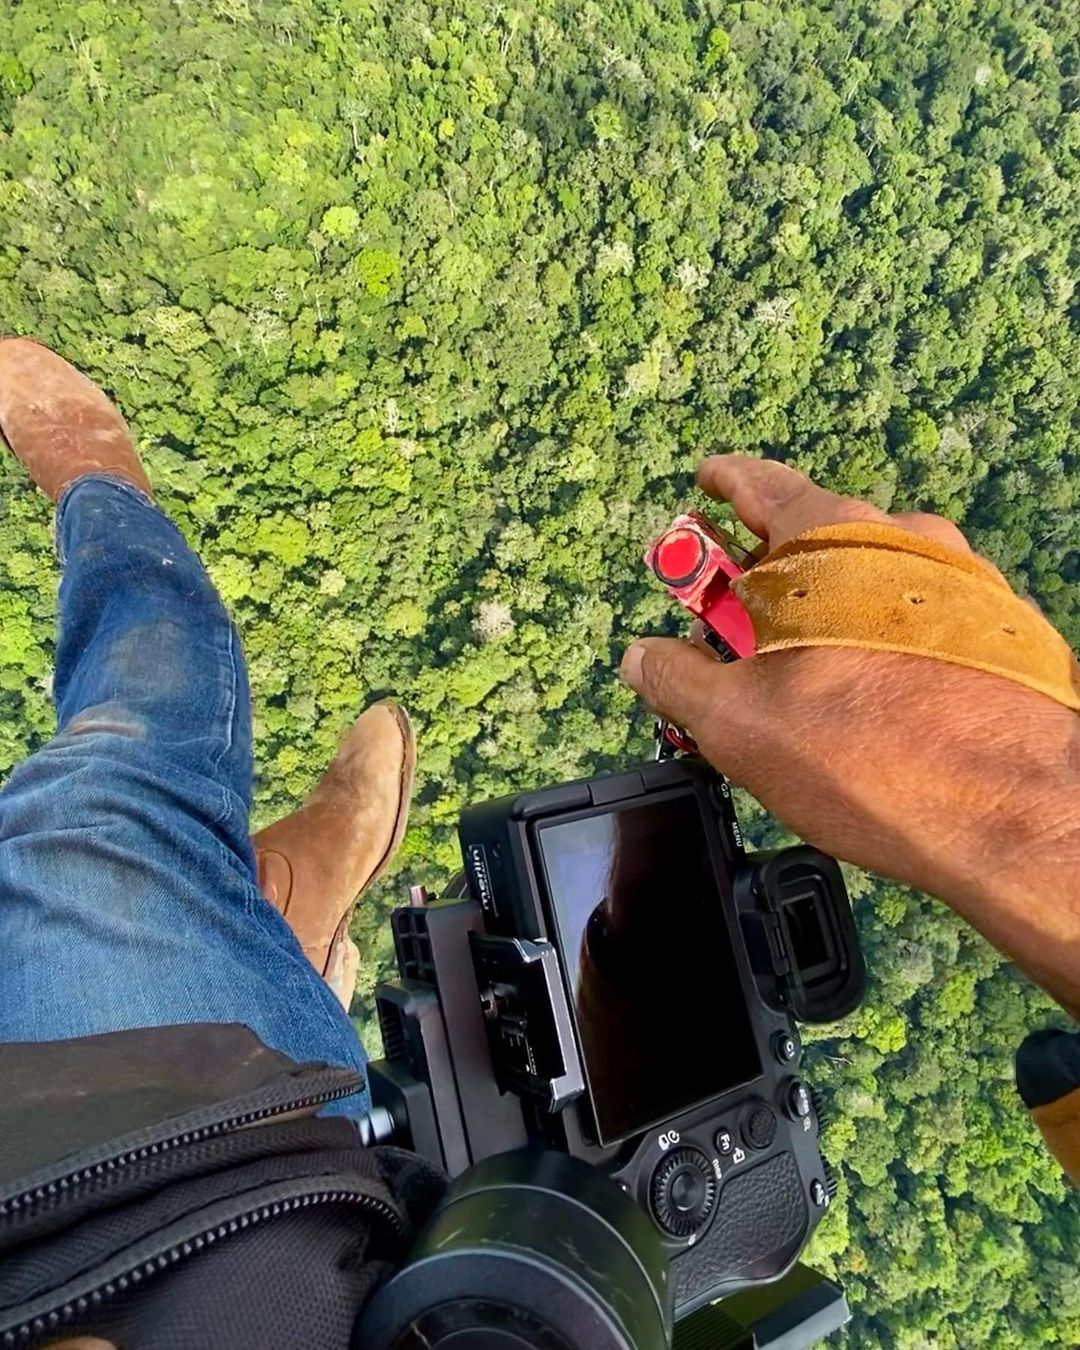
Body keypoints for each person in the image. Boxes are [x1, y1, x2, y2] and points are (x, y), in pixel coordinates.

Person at [0, 338, 1075, 1349]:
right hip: (364, 1248)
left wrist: (1029, 810)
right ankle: (277, 925)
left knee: (112, 796)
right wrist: (1025, 818)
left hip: (152, 1218)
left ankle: (110, 502)